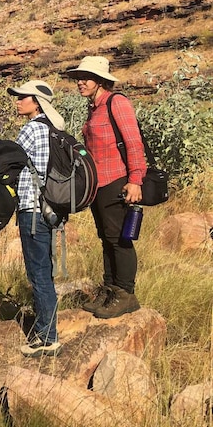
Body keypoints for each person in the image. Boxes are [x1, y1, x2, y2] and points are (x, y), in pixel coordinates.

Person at [66, 56, 145, 318]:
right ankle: (111, 290)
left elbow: (133, 142)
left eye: (85, 78)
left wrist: (135, 180)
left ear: (100, 81)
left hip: (116, 182)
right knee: (106, 238)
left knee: (119, 239)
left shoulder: (116, 102)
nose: (80, 83)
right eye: (78, 78)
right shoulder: (94, 108)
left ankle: (126, 294)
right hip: (98, 185)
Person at [7, 80, 65, 357]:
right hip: (51, 209)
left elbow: (11, 164)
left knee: (38, 273)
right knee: (45, 270)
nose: (18, 101)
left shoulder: (31, 129)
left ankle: (47, 337)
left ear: (37, 102)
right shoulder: (54, 129)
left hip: (32, 210)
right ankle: (48, 329)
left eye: (22, 97)